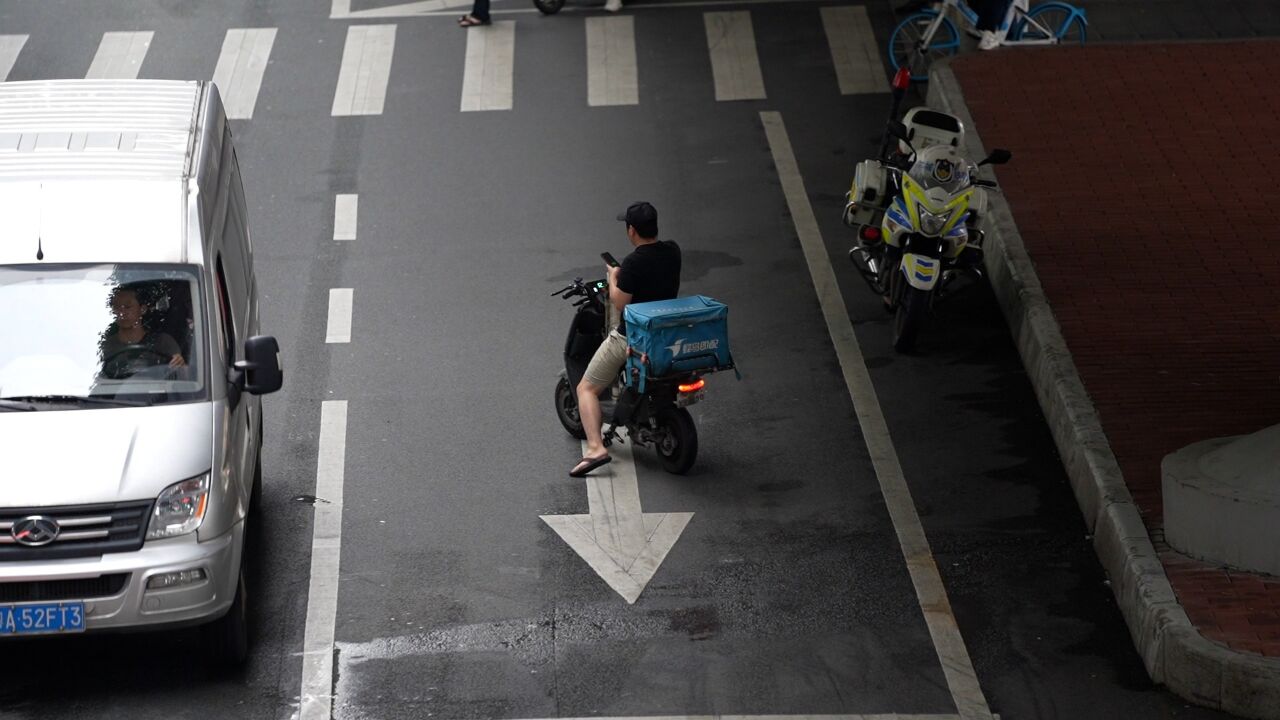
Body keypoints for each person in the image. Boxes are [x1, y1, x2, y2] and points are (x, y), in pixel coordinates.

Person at [570, 202, 681, 477]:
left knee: (586, 388)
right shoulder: (673, 251)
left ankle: (596, 447)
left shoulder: (633, 263)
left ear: (632, 230)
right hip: (664, 333)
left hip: (633, 338)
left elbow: (619, 302)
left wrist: (613, 276)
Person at [100, 286, 185, 378]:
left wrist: (180, 364)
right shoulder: (106, 347)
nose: (122, 312)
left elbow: (183, 377)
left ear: (142, 309)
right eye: (117, 307)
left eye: (127, 307)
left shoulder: (164, 343)